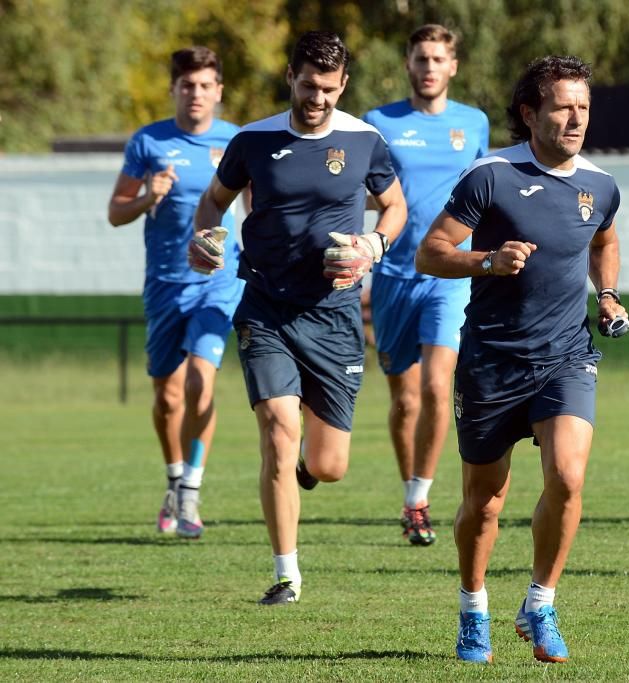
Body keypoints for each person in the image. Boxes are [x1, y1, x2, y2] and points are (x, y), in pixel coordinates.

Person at [416, 55, 628, 664]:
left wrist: (606, 294)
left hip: (566, 355)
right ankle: (472, 609)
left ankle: (541, 602)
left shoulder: (600, 185)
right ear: (530, 112)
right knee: (484, 501)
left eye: (584, 107)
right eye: (563, 106)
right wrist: (486, 261)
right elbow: (430, 253)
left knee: (567, 476)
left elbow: (605, 238)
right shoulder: (490, 177)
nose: (576, 118)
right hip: (491, 361)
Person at [191, 30, 407, 605]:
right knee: (279, 431)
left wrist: (372, 248)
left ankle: (310, 468)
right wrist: (206, 237)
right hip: (265, 306)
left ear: (343, 87)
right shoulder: (252, 140)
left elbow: (395, 206)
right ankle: (287, 573)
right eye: (308, 86)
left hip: (334, 315)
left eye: (329, 90)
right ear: (290, 77)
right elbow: (213, 201)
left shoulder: (364, 141)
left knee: (329, 466)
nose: (317, 99)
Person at [360, 24, 490, 546]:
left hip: (449, 272)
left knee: (440, 385)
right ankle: (408, 487)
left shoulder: (473, 123)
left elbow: (485, 190)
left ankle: (419, 498)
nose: (429, 67)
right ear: (408, 65)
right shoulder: (379, 122)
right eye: (420, 58)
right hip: (393, 274)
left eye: (438, 58)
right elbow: (366, 190)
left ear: (453, 66)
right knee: (405, 400)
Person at [107, 46, 243, 540]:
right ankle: (172, 477)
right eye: (188, 86)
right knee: (167, 397)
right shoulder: (148, 142)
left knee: (200, 383)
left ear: (219, 91)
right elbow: (116, 212)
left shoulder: (236, 141)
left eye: (206, 85)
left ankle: (191, 491)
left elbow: (260, 205)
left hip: (217, 283)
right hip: (164, 285)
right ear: (174, 90)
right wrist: (148, 197)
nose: (197, 94)